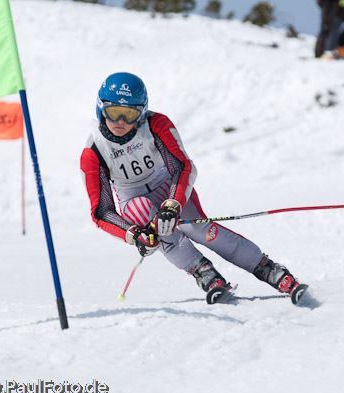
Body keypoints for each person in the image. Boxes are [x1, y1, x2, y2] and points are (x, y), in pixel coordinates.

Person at [80, 72, 303, 303]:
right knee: (151, 220)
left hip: (167, 184)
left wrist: (173, 204)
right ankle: (203, 271)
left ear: (142, 112)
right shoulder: (93, 152)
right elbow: (102, 212)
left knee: (201, 230)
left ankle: (265, 267)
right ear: (100, 109)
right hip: (132, 197)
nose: (121, 122)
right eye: (114, 113)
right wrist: (134, 235)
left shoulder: (156, 124)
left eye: (130, 114)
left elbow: (182, 167)